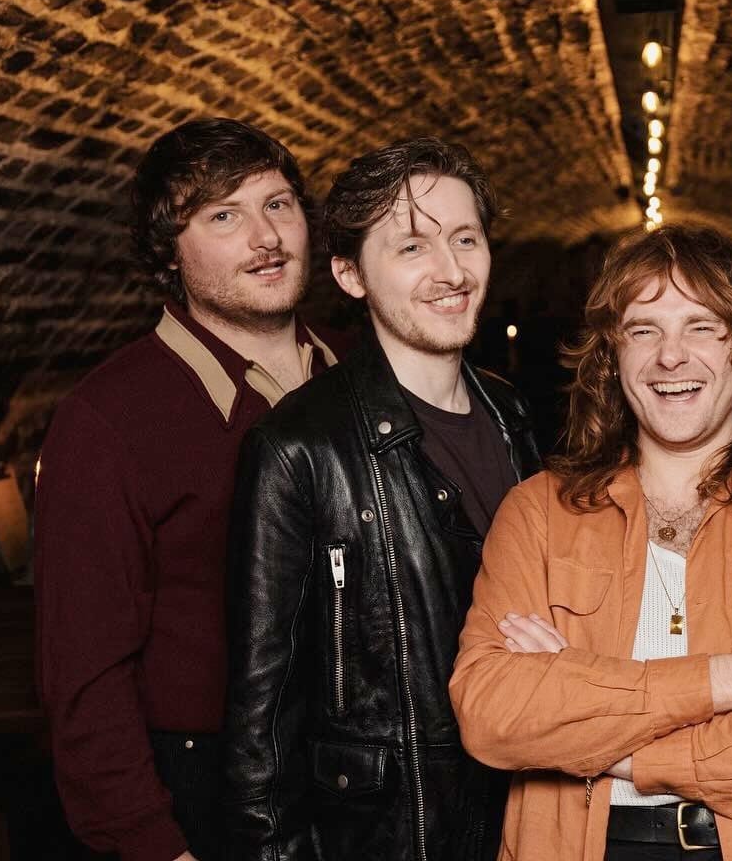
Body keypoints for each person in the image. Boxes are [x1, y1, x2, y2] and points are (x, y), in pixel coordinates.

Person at [449, 223, 732, 860]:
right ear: (612, 355)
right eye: (644, 330)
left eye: (701, 327)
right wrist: (729, 681)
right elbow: (492, 713)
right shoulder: (538, 514)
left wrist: (615, 744)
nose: (671, 357)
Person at [219, 138, 541, 861]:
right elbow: (258, 724)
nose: (453, 272)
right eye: (412, 248)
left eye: (466, 239)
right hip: (395, 835)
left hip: (525, 820)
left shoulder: (512, 414)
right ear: (349, 273)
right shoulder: (298, 448)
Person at [33, 119, 338, 861]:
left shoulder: (365, 378)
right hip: (206, 790)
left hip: (366, 775)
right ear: (169, 252)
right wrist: (151, 844)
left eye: (277, 204)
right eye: (223, 216)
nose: (265, 237)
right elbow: (85, 675)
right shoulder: (107, 419)